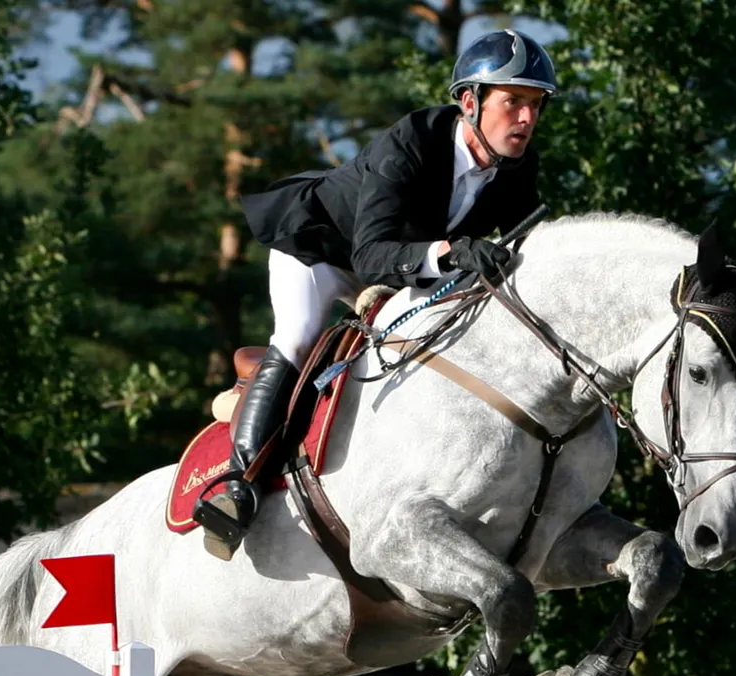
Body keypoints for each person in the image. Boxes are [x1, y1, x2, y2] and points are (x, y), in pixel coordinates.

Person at [193, 29, 557, 559]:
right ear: (469, 101)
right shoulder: (410, 141)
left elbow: (519, 248)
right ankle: (236, 486)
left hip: (401, 268)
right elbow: (369, 256)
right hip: (323, 251)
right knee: (296, 339)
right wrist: (455, 253)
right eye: (514, 103)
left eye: (535, 105)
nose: (526, 119)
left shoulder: (517, 165)